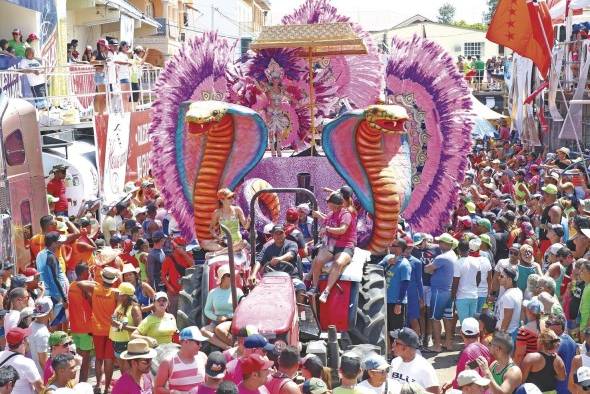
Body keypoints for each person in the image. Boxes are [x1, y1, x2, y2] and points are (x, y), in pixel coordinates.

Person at [308, 192, 357, 303]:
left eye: (328, 202)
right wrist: (321, 225)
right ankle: (314, 287)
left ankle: (326, 291)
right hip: (331, 245)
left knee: (338, 263)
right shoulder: (331, 214)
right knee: (317, 260)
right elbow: (326, 223)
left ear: (334, 204)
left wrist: (327, 229)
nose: (327, 204)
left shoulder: (346, 214)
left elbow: (342, 229)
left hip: (345, 245)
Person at [424, 233, 457, 352]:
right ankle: (449, 344)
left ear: (446, 244)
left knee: (435, 318)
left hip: (439, 291)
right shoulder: (453, 254)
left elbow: (427, 269)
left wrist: (432, 270)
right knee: (447, 318)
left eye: (440, 242)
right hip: (448, 291)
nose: (438, 244)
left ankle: (437, 346)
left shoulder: (441, 257)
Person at [249, 226, 303, 295]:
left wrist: (280, 259)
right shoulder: (267, 248)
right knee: (256, 291)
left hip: (291, 277)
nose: (278, 236)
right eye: (276, 234)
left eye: (280, 233)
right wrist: (253, 274)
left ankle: (299, 305)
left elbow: (291, 254)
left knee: (301, 288)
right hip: (271, 279)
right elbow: (259, 261)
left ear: (285, 234)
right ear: (272, 235)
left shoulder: (292, 244)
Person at [202, 265, 244, 350]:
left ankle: (237, 347)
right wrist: (217, 318)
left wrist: (229, 316)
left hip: (231, 321)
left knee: (219, 329)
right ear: (222, 277)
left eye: (232, 275)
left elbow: (243, 307)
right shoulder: (213, 292)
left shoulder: (238, 291)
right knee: (203, 331)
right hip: (216, 321)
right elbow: (207, 310)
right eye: (229, 275)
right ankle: (228, 347)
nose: (232, 277)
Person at [155, 326, 208, 393]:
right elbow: (157, 389)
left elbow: (208, 383)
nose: (201, 345)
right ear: (186, 342)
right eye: (198, 342)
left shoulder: (203, 357)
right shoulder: (168, 362)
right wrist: (173, 393)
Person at [389, 328, 439, 394]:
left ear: (406, 348)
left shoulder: (425, 369)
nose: (393, 345)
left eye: (396, 343)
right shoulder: (395, 362)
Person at [67, 263, 93, 382]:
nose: (89, 274)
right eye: (88, 272)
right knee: (85, 360)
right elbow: (93, 303)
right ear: (83, 273)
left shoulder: (71, 285)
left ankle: (78, 383)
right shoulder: (84, 287)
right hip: (85, 328)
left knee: (78, 359)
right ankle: (83, 384)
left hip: (75, 328)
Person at [450, 318, 493, 389]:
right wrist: (451, 382)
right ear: (478, 333)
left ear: (461, 333)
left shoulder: (465, 353)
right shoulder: (486, 349)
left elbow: (461, 382)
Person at [109, 282, 142, 373]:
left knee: (128, 372)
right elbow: (117, 320)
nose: (117, 295)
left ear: (125, 296)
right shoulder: (120, 305)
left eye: (119, 293)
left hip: (127, 344)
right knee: (123, 372)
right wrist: (113, 320)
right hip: (117, 343)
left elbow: (139, 329)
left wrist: (120, 326)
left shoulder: (134, 309)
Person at [379, 239, 411, 332]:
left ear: (400, 249)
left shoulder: (405, 265)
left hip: (395, 302)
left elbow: (405, 285)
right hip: (385, 301)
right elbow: (376, 269)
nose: (391, 246)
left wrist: (398, 303)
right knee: (386, 330)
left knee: (396, 332)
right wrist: (387, 263)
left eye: (394, 245)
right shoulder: (387, 258)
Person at [36, 232, 68, 321]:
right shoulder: (51, 257)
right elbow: (55, 278)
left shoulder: (40, 254)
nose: (60, 244)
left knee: (48, 320)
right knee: (56, 322)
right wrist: (64, 298)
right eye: (59, 242)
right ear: (53, 243)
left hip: (45, 293)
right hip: (55, 295)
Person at [522, 329, 566, 393]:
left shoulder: (531, 358)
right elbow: (562, 377)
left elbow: (521, 380)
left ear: (540, 342)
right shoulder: (558, 359)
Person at [0, 328, 43, 393]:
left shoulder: (0, 355)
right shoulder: (27, 363)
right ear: (23, 341)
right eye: (27, 338)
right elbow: (41, 388)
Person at [161, 236, 193, 313]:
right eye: (180, 246)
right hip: (174, 293)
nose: (183, 248)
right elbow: (163, 276)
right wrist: (170, 288)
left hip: (186, 292)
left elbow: (193, 265)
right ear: (174, 246)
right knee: (173, 313)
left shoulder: (188, 256)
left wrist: (184, 254)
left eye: (184, 246)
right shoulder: (168, 259)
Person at [452, 239, 480, 324]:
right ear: (469, 249)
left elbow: (455, 282)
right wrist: (474, 286)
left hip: (462, 297)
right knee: (472, 323)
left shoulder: (457, 263)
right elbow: (479, 278)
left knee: (464, 324)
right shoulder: (476, 261)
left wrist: (453, 296)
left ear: (458, 250)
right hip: (474, 296)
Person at [495, 265, 523, 340]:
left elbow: (507, 318)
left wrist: (500, 337)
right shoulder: (518, 291)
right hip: (512, 332)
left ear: (510, 280)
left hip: (507, 334)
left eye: (501, 276)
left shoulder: (508, 296)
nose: (499, 278)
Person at [514, 298, 543, 365]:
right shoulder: (545, 325)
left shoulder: (523, 331)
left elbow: (519, 355)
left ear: (528, 311)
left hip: (528, 366)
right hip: (542, 364)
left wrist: (515, 367)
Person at [27, 297, 52, 374]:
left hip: (35, 371)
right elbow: (43, 361)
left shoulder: (32, 324)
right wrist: (52, 378)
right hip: (42, 375)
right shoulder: (43, 333)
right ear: (50, 312)